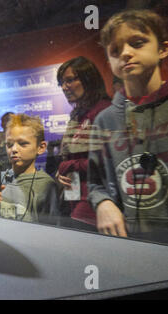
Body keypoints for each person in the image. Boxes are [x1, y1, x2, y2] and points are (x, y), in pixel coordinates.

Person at [88, 9, 168, 242]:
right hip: (129, 242)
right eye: (114, 50)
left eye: (137, 43)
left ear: (162, 48)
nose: (125, 53)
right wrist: (103, 203)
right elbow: (96, 183)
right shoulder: (104, 120)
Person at [55, 57, 111, 231]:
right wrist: (61, 173)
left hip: (98, 200)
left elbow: (108, 161)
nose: (65, 87)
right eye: (61, 83)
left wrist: (69, 165)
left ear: (88, 79)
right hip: (75, 197)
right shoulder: (77, 115)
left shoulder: (104, 111)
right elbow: (71, 157)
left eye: (70, 80)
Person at [0, 113, 59, 224]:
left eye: (23, 144)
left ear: (41, 147)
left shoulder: (46, 185)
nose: (13, 149)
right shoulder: (1, 179)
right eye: (9, 144)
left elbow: (52, 228)